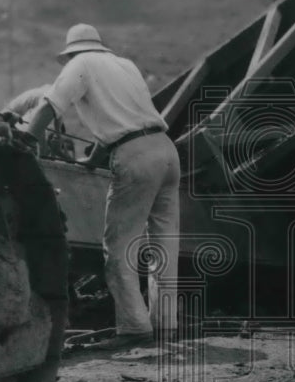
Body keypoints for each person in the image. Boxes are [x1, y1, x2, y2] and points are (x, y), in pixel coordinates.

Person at [23, 23, 180, 350]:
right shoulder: (126, 66)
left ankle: (135, 328)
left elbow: (49, 106)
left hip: (135, 157)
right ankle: (167, 326)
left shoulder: (80, 65)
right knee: (164, 247)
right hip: (165, 150)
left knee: (119, 247)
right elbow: (123, 122)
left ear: (71, 53)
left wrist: (23, 140)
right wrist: (91, 162)